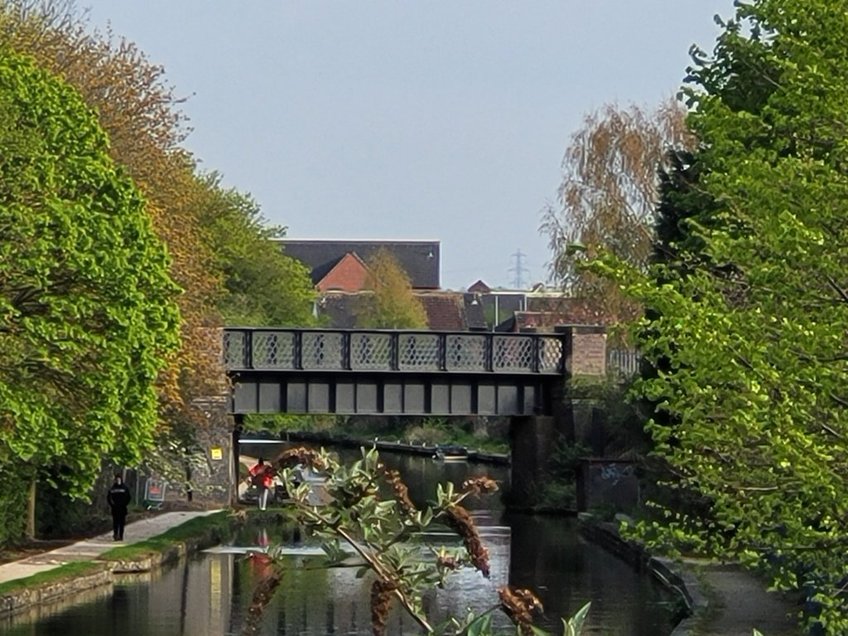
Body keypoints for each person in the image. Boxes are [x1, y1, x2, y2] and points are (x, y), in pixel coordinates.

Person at [107, 473, 132, 541]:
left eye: (119, 479)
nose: (118, 480)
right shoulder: (112, 488)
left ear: (121, 479)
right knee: (115, 523)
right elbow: (109, 498)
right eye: (117, 479)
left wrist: (125, 504)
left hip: (122, 508)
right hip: (115, 508)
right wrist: (112, 504)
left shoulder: (125, 488)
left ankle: (121, 536)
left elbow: (128, 497)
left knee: (121, 523)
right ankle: (115, 535)